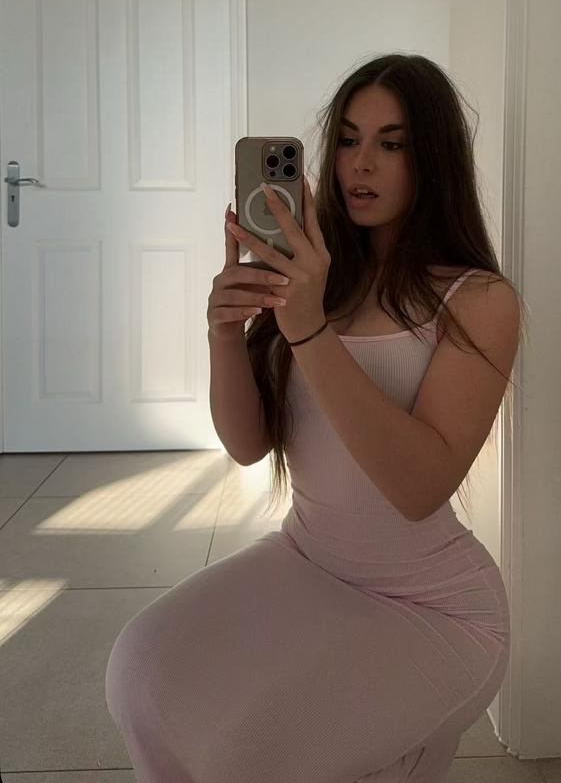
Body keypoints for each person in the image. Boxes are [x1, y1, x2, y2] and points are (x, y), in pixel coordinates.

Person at [105, 54, 524, 781]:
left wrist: (308, 330)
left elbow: (419, 487)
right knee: (140, 671)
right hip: (309, 558)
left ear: (434, 160)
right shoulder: (314, 283)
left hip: (434, 606)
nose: (361, 164)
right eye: (349, 140)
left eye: (391, 144)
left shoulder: (477, 299)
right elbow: (246, 446)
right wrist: (223, 333)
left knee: (249, 760)